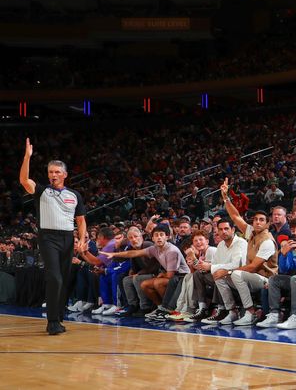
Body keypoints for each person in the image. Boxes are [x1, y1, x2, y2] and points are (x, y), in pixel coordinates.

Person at [19, 138, 87, 335]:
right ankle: (51, 322)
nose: (53, 175)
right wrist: (27, 157)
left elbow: (81, 221)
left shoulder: (74, 195)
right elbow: (24, 180)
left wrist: (81, 240)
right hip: (47, 238)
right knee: (54, 278)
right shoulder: (42, 191)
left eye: (57, 172)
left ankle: (58, 318)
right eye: (50, 172)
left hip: (67, 238)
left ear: (65, 175)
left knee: (63, 280)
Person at [209, 178, 278, 326]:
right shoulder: (252, 232)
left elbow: (253, 267)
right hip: (251, 277)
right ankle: (232, 312)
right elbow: (235, 216)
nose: (257, 222)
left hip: (266, 280)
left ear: (267, 224)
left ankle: (250, 313)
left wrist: (227, 272)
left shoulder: (267, 241)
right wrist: (225, 197)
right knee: (217, 275)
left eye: (261, 220)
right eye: (255, 220)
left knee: (233, 273)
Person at [100, 224, 189, 322]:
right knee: (144, 284)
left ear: (167, 237)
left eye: (161, 235)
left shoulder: (172, 250)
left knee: (157, 283)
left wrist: (162, 274)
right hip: (171, 276)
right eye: (156, 235)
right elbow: (133, 253)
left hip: (182, 277)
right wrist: (114, 254)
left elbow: (170, 275)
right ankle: (160, 307)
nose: (159, 237)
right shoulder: (154, 248)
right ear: (153, 238)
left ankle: (169, 309)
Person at [188, 217, 247, 323]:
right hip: (225, 274)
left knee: (218, 274)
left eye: (226, 228)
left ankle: (223, 310)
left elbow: (236, 264)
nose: (223, 232)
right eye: (220, 229)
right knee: (199, 274)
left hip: (239, 275)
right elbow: (214, 264)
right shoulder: (220, 245)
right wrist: (204, 264)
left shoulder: (241, 243)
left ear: (233, 230)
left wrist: (210, 266)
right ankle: (203, 308)